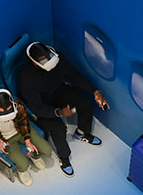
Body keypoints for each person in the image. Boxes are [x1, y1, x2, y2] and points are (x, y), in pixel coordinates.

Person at [16, 41, 109, 176]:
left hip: (57, 90)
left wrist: (95, 91)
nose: (49, 61)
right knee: (59, 129)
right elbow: (37, 108)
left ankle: (81, 133)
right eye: (44, 61)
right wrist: (58, 112)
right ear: (35, 63)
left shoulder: (57, 58)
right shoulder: (26, 79)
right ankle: (64, 158)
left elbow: (73, 75)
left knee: (86, 104)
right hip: (42, 105)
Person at [0, 88, 55, 186]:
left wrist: (27, 139)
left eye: (9, 110)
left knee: (47, 149)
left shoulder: (17, 105)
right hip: (6, 139)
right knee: (23, 164)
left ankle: (35, 157)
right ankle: (22, 171)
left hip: (20, 131)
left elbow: (24, 121)